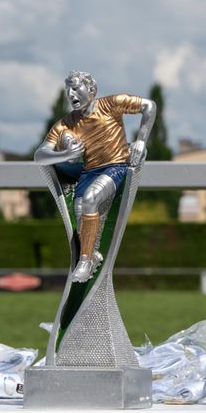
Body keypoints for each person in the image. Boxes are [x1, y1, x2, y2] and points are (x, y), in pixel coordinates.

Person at [34, 71, 154, 283]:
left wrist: (141, 141)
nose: (71, 94)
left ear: (91, 90)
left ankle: (86, 260)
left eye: (75, 88)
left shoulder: (111, 104)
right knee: (81, 215)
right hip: (88, 172)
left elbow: (149, 106)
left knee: (90, 198)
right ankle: (91, 255)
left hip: (115, 167)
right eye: (68, 91)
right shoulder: (66, 124)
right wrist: (65, 154)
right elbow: (40, 155)